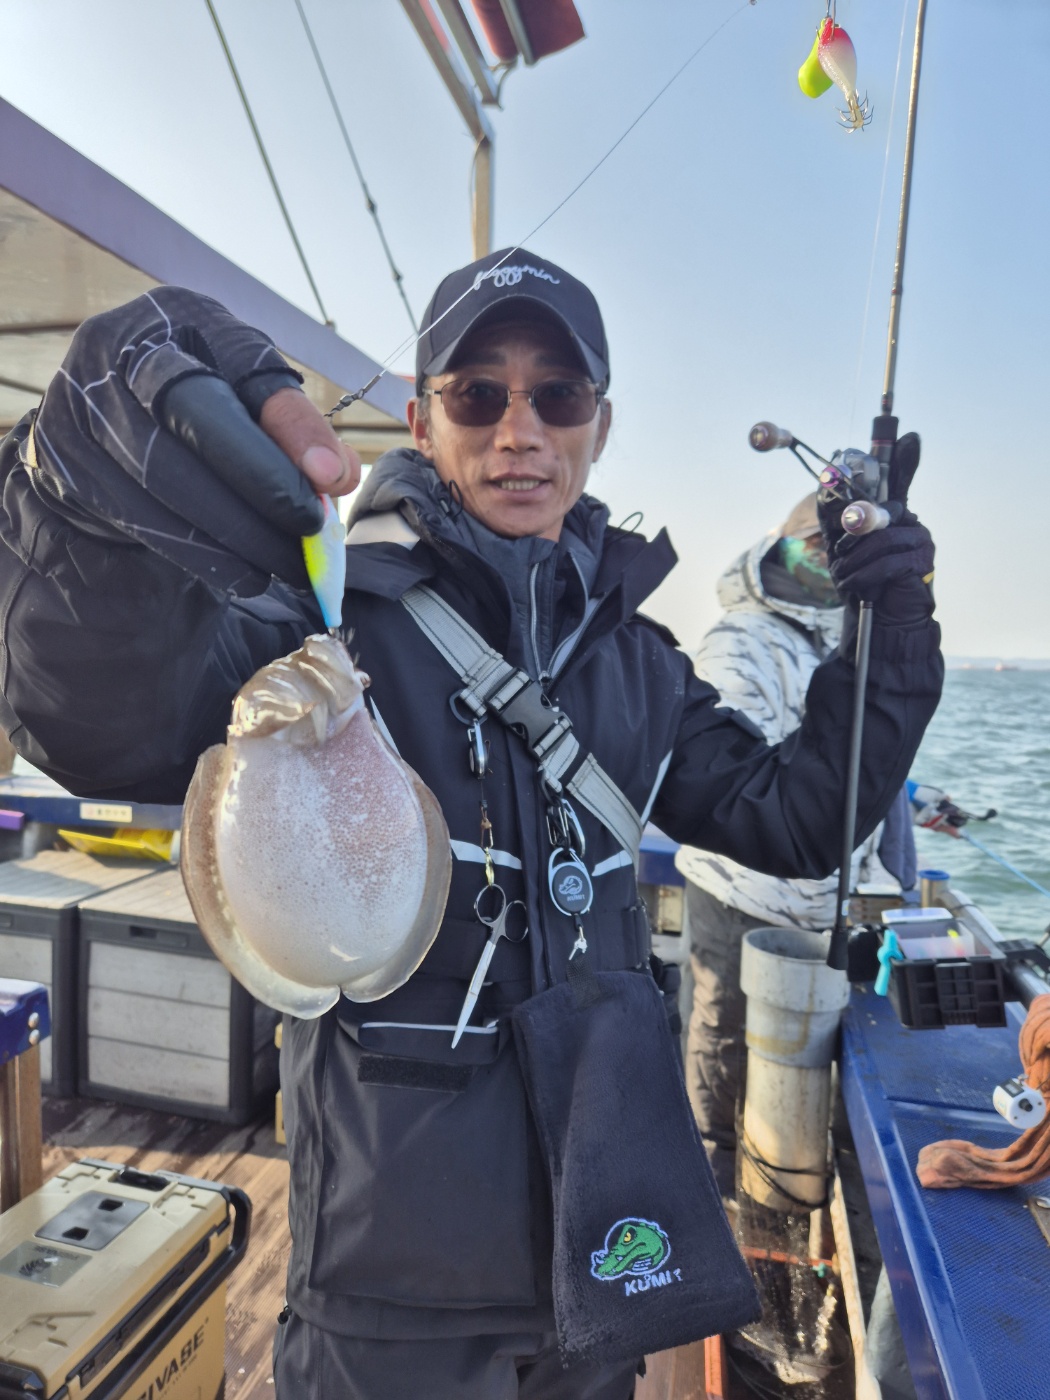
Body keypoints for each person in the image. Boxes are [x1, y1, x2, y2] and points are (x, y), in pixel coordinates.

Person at [0, 249, 943, 1399]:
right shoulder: (317, 618)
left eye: (558, 394)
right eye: (477, 392)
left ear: (599, 422)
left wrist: (891, 629)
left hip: (603, 1263)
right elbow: (101, 717)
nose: (519, 430)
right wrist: (64, 502)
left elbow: (798, 817)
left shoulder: (639, 664)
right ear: (421, 418)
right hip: (386, 1291)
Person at [674, 494, 918, 1198]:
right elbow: (732, 770)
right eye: (814, 542)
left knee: (795, 1050)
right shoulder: (740, 636)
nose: (825, 556)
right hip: (738, 889)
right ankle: (711, 1193)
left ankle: (777, 1185)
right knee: (722, 1038)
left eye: (836, 545)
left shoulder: (835, 638)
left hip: (817, 896)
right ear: (784, 549)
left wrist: (916, 798)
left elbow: (858, 762)